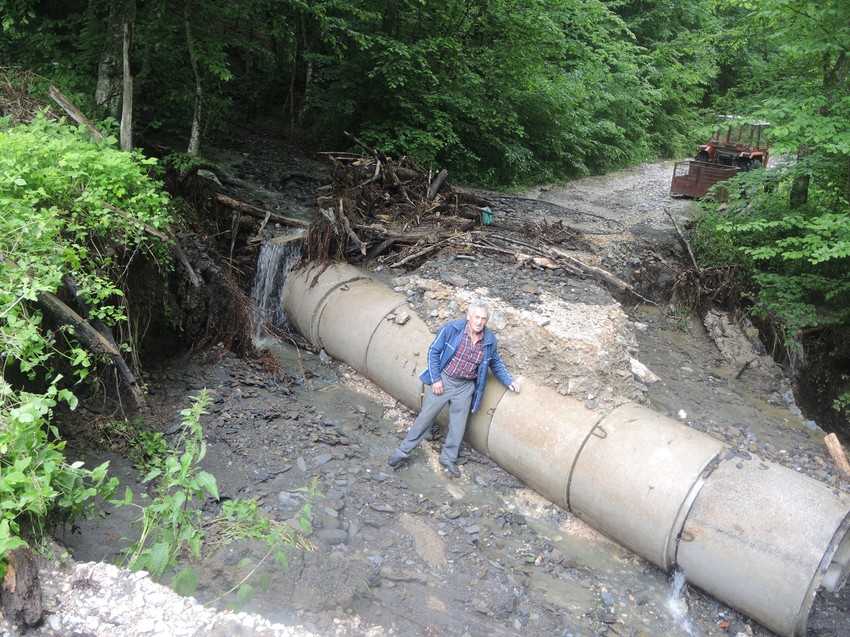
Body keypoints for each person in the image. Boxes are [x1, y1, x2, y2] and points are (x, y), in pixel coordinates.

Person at [387, 301, 520, 477]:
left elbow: (495, 362)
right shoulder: (452, 329)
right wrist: (436, 380)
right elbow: (434, 351)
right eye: (477, 317)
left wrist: (508, 381)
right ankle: (403, 452)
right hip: (445, 380)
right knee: (425, 417)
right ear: (469, 316)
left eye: (484, 319)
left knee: (458, 426)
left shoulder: (489, 340)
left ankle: (447, 459)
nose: (479, 322)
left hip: (466, 387)